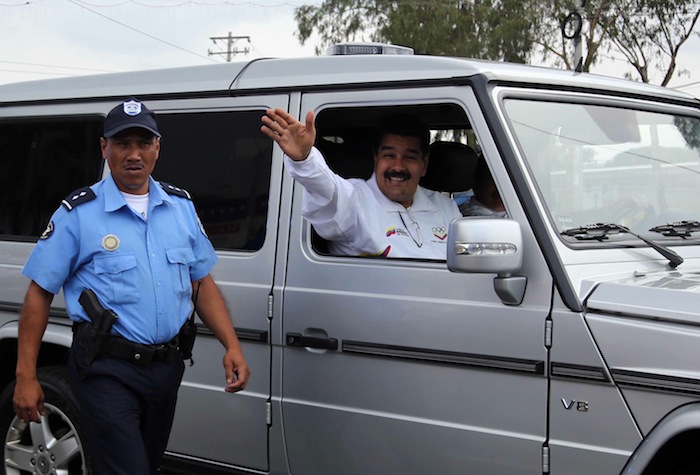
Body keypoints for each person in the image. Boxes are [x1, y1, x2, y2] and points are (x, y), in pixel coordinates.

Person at [13, 98, 250, 475]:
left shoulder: (180, 207)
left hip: (166, 368)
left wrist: (231, 345)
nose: (134, 154)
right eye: (122, 143)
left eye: (143, 143)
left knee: (145, 465)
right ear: (104, 148)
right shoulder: (79, 214)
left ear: (158, 147)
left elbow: (200, 282)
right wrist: (25, 375)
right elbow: (39, 292)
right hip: (106, 370)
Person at [261, 108, 461, 258]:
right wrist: (304, 160)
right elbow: (327, 189)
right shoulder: (354, 200)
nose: (398, 166)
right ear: (376, 159)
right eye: (389, 155)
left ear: (423, 165)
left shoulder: (446, 208)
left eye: (409, 157)